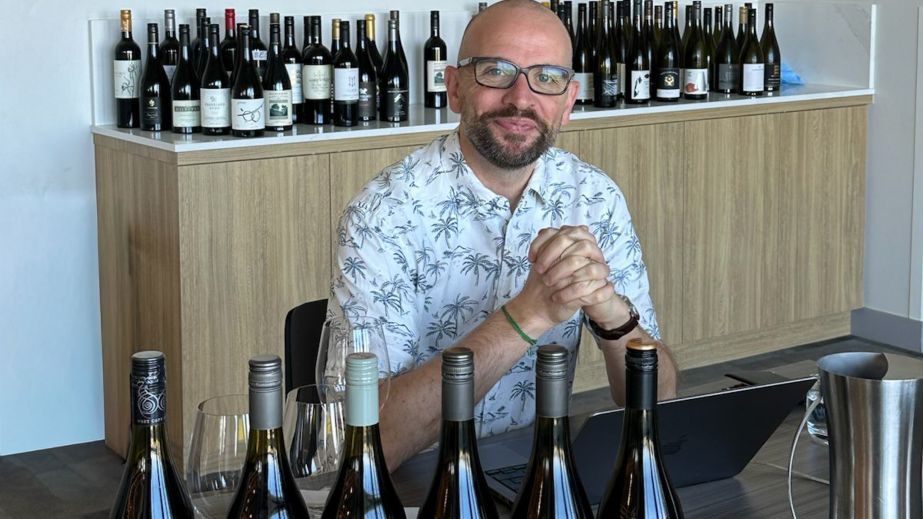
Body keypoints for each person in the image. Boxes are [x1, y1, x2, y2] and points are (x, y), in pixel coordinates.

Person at [325, 0, 678, 470]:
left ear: (569, 102)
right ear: (454, 88)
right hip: (415, 482)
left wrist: (611, 311)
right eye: (496, 71)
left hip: (538, 467)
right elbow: (369, 443)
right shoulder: (384, 214)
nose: (521, 97)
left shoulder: (594, 197)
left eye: (547, 78)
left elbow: (664, 398)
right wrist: (527, 315)